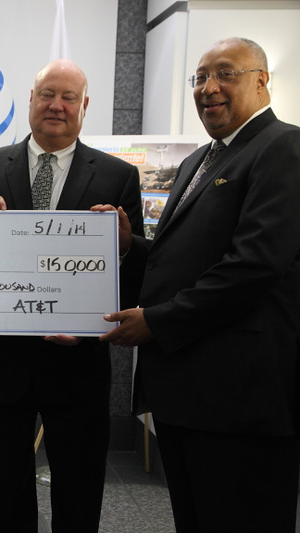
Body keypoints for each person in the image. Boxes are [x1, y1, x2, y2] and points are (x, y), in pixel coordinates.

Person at [101, 37, 300, 533]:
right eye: (200, 77)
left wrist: (156, 322)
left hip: (240, 397)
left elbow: (251, 266)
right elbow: (181, 260)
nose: (209, 88)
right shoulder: (199, 161)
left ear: (261, 80)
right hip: (188, 390)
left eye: (225, 73)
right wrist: (131, 245)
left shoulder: (285, 148)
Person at [0, 59, 144, 532]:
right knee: (8, 496)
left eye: (69, 97)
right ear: (31, 100)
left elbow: (135, 270)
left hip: (78, 367)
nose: (57, 105)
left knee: (78, 496)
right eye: (48, 94)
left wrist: (119, 254)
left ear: (85, 106)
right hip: (3, 363)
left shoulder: (118, 176)